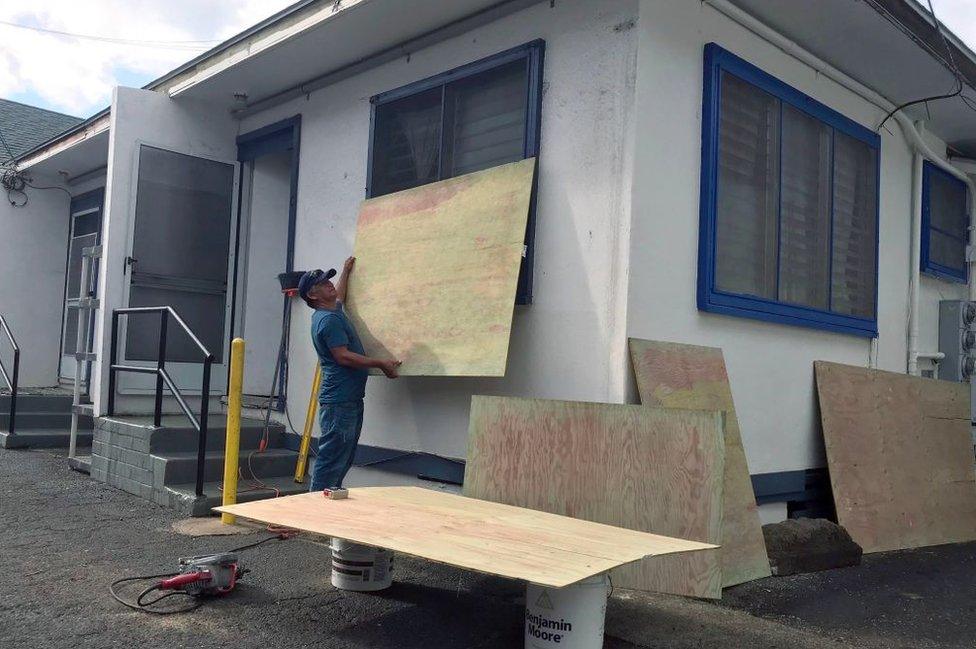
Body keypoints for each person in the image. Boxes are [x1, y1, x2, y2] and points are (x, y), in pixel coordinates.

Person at [298, 257, 401, 491]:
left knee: (343, 455)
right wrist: (380, 363)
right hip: (339, 402)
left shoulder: (330, 310)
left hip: (348, 399)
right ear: (313, 296)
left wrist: (345, 271)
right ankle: (315, 510)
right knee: (333, 457)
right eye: (324, 284)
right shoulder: (328, 321)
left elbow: (340, 297)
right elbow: (342, 356)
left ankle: (328, 502)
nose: (330, 285)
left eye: (329, 281)